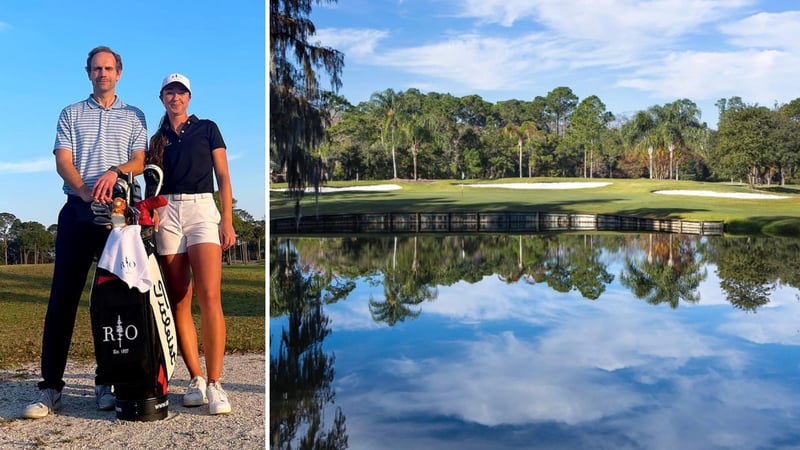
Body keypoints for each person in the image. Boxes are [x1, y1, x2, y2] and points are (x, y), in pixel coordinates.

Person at [23, 46, 147, 419]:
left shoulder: (134, 115)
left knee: (117, 303)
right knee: (62, 299)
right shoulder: (71, 113)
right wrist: (82, 190)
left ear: (119, 73)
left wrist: (114, 171)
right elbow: (63, 159)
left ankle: (107, 380)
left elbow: (140, 160)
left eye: (109, 68)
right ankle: (51, 388)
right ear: (88, 73)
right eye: (96, 68)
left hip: (120, 215)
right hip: (78, 211)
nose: (102, 74)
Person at [146, 73, 235, 415]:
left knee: (209, 296)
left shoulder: (207, 128)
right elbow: (152, 185)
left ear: (189, 97)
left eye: (180, 92)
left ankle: (215, 382)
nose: (175, 98)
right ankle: (195, 378)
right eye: (170, 92)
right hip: (167, 212)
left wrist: (226, 220)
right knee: (179, 300)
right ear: (162, 98)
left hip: (201, 209)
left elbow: (223, 176)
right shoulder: (157, 140)